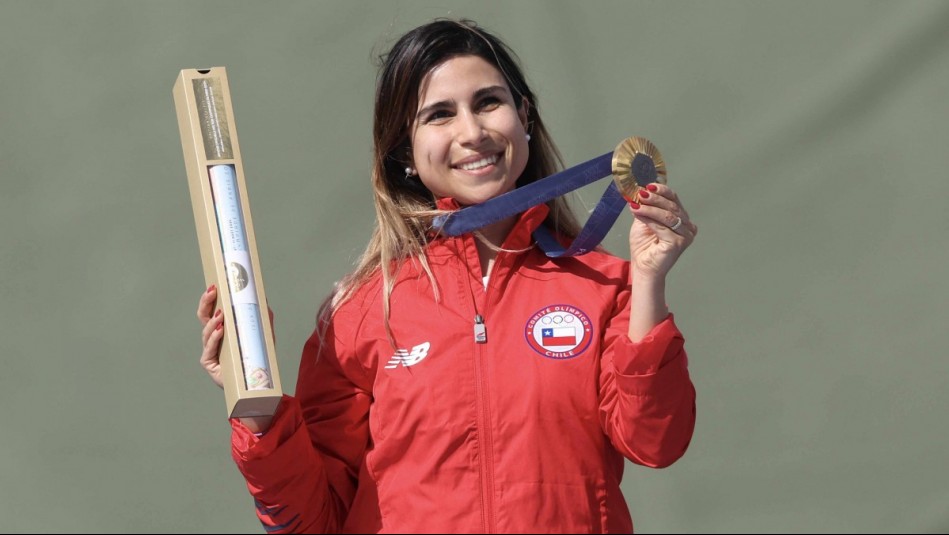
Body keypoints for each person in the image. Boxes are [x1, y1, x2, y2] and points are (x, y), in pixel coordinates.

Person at [197, 18, 697, 534]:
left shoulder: (603, 286)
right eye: (439, 115)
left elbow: (655, 442)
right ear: (404, 150)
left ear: (524, 115)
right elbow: (311, 520)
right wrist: (256, 410)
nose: (472, 132)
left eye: (488, 103)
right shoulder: (363, 311)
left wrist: (649, 283)